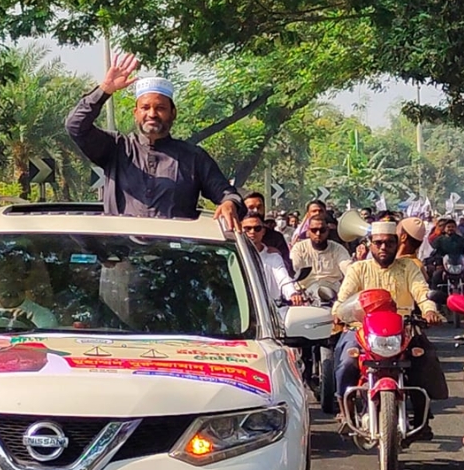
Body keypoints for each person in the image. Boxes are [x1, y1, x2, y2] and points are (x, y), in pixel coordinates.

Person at [65, 53, 242, 230]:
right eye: (145, 108)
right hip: (121, 254)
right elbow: (75, 125)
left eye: (160, 108)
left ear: (173, 113)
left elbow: (228, 195)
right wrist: (104, 90)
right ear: (136, 113)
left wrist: (229, 203)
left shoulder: (193, 158)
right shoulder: (116, 148)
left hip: (175, 253)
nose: (152, 114)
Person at [332, 220, 447, 433]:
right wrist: (338, 313)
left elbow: (421, 292)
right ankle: (345, 413)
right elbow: (343, 298)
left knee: (425, 358)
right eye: (378, 243)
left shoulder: (408, 267)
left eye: (389, 243)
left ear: (397, 244)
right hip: (362, 330)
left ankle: (423, 418)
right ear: (370, 245)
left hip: (403, 329)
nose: (383, 247)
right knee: (346, 362)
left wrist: (429, 310)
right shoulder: (358, 268)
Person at [243, 213, 301, 306]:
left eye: (257, 228)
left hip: (271, 310)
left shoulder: (273, 257)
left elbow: (283, 279)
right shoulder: (232, 256)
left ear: (263, 232)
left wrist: (292, 294)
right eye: (247, 228)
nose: (252, 231)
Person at [290, 214, 352, 291]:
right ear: (308, 231)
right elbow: (294, 270)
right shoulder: (299, 248)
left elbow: (349, 270)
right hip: (306, 292)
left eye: (322, 230)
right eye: (314, 230)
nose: (318, 234)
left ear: (327, 230)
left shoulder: (338, 249)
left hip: (333, 292)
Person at [244, 191, 294, 273]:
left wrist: (277, 256)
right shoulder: (232, 235)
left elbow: (287, 268)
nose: (256, 211)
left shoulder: (276, 238)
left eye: (259, 207)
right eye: (251, 208)